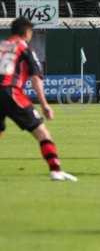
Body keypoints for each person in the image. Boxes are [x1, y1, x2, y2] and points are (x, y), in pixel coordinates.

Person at [0, 17, 77, 181]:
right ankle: (55, 170)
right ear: (27, 32)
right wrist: (45, 104)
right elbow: (36, 78)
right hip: (10, 92)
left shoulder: (2, 45)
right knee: (42, 132)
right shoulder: (25, 47)